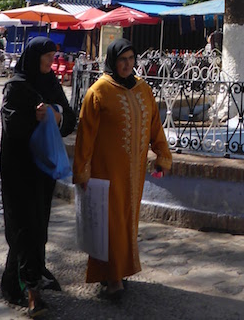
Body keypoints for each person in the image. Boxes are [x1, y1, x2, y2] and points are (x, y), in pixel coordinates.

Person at [72, 38, 172, 301]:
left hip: (134, 175)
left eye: (130, 59)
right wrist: (82, 171)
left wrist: (162, 155)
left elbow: (155, 126)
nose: (127, 64)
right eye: (122, 60)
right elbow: (85, 136)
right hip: (106, 172)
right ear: (113, 61)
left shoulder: (143, 89)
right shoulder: (99, 92)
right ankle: (114, 280)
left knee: (126, 222)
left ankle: (116, 272)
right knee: (111, 223)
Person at [0, 36, 76, 316]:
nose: (51, 61)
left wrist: (56, 115)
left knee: (37, 225)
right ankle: (29, 287)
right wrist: (34, 116)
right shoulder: (16, 87)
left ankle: (16, 280)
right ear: (34, 58)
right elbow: (12, 125)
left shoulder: (52, 84)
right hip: (19, 170)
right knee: (23, 226)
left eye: (53, 56)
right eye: (46, 56)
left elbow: (70, 118)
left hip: (43, 170)